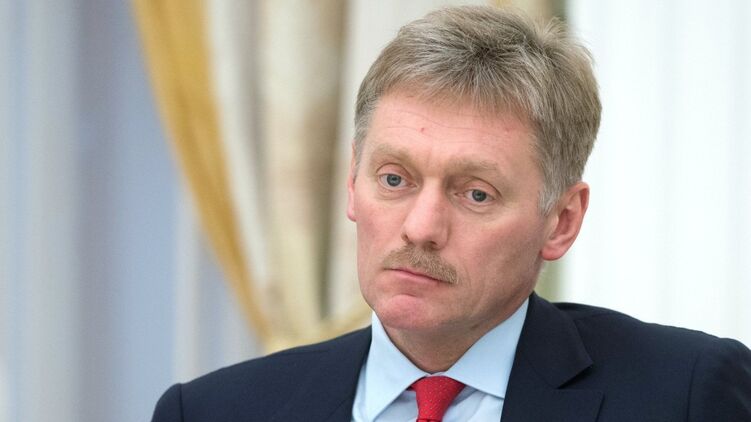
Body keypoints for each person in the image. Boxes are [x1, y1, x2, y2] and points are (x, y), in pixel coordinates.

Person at [151, 5, 751, 421]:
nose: (420, 228)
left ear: (562, 221)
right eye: (394, 179)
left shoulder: (686, 396)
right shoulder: (209, 412)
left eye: (475, 194)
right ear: (353, 182)